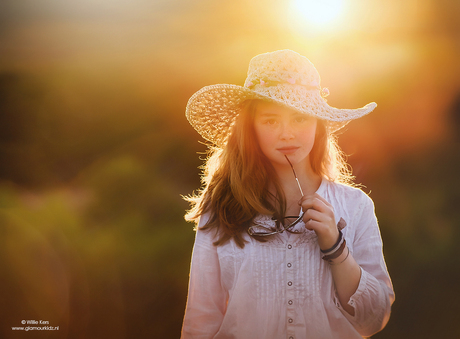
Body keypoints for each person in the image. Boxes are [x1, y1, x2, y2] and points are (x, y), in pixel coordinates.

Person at [181, 49, 394, 338]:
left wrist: (335, 247)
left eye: (300, 119)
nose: (286, 134)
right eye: (270, 121)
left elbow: (373, 319)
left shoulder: (355, 206)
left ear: (318, 124)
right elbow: (201, 319)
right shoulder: (219, 207)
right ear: (251, 129)